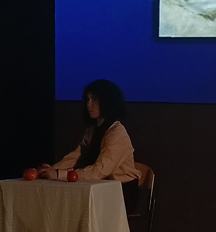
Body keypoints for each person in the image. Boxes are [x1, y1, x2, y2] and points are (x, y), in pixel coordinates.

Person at [38, 79, 141, 212]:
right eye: (88, 99)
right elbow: (77, 155)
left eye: (94, 99)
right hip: (100, 188)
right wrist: (52, 169)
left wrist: (59, 174)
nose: (89, 104)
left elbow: (99, 171)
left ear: (107, 101)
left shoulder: (117, 133)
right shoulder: (93, 129)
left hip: (120, 192)